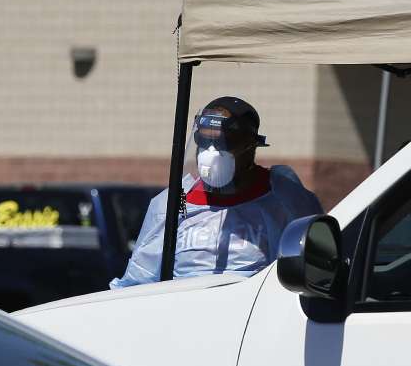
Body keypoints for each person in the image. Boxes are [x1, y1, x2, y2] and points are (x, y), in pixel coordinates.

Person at [111, 96, 323, 288]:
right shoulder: (178, 202)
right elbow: (139, 281)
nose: (211, 151)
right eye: (205, 140)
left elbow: (314, 268)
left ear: (250, 147)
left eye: (224, 142)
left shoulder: (281, 198)